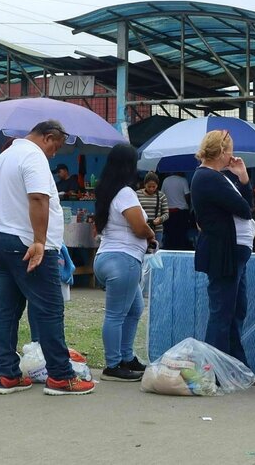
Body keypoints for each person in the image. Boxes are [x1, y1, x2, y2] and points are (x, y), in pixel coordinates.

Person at [0, 120, 94, 396]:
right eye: (55, 147)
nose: (54, 154)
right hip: (28, 244)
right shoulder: (32, 156)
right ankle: (60, 376)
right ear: (48, 137)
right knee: (49, 309)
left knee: (7, 311)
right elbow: (38, 199)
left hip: (1, 238)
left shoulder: (4, 157)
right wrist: (39, 241)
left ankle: (7, 374)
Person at [191, 130, 255, 364]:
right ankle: (213, 367)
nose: (232, 155)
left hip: (232, 249)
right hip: (225, 250)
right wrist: (244, 181)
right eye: (230, 150)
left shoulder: (216, 177)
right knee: (223, 311)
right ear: (221, 151)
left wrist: (242, 178)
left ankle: (234, 363)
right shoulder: (210, 177)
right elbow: (246, 208)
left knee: (235, 309)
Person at [94, 144, 155, 382]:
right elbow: (138, 227)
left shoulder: (106, 191)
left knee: (134, 309)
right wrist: (151, 235)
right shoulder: (126, 193)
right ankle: (112, 364)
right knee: (115, 314)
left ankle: (126, 357)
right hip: (124, 260)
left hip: (106, 257)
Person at [135, 172, 169, 247]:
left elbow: (166, 213)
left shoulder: (161, 195)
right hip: (142, 229)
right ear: (144, 185)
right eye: (149, 186)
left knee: (155, 251)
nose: (151, 189)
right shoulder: (137, 194)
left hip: (157, 230)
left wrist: (160, 219)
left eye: (154, 186)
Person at [162, 172, 192, 249]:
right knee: (181, 235)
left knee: (170, 235)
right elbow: (187, 195)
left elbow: (162, 195)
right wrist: (190, 206)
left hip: (169, 212)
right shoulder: (183, 180)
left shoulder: (166, 180)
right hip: (181, 212)